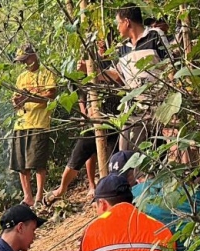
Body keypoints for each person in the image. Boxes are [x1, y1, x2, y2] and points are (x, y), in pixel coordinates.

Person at [45, 59, 121, 202]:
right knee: (78, 155)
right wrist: (84, 113)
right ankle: (62, 188)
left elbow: (119, 79)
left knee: (114, 160)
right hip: (93, 120)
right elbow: (81, 93)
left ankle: (109, 193)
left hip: (114, 118)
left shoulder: (113, 59)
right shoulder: (87, 61)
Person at [104, 4, 171, 151]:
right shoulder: (122, 49)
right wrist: (95, 71)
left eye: (118, 23)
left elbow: (169, 66)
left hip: (159, 103)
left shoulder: (154, 35)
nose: (117, 28)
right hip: (134, 108)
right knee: (127, 152)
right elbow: (116, 75)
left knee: (169, 146)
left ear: (127, 22)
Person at [10, 43, 58, 206]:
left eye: (26, 59)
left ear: (34, 56)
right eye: (21, 61)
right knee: (21, 163)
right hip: (21, 123)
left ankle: (39, 195)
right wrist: (17, 102)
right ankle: (27, 196)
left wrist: (29, 98)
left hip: (39, 122)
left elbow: (50, 97)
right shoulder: (21, 78)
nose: (24, 63)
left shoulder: (47, 73)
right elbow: (16, 99)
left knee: (38, 161)